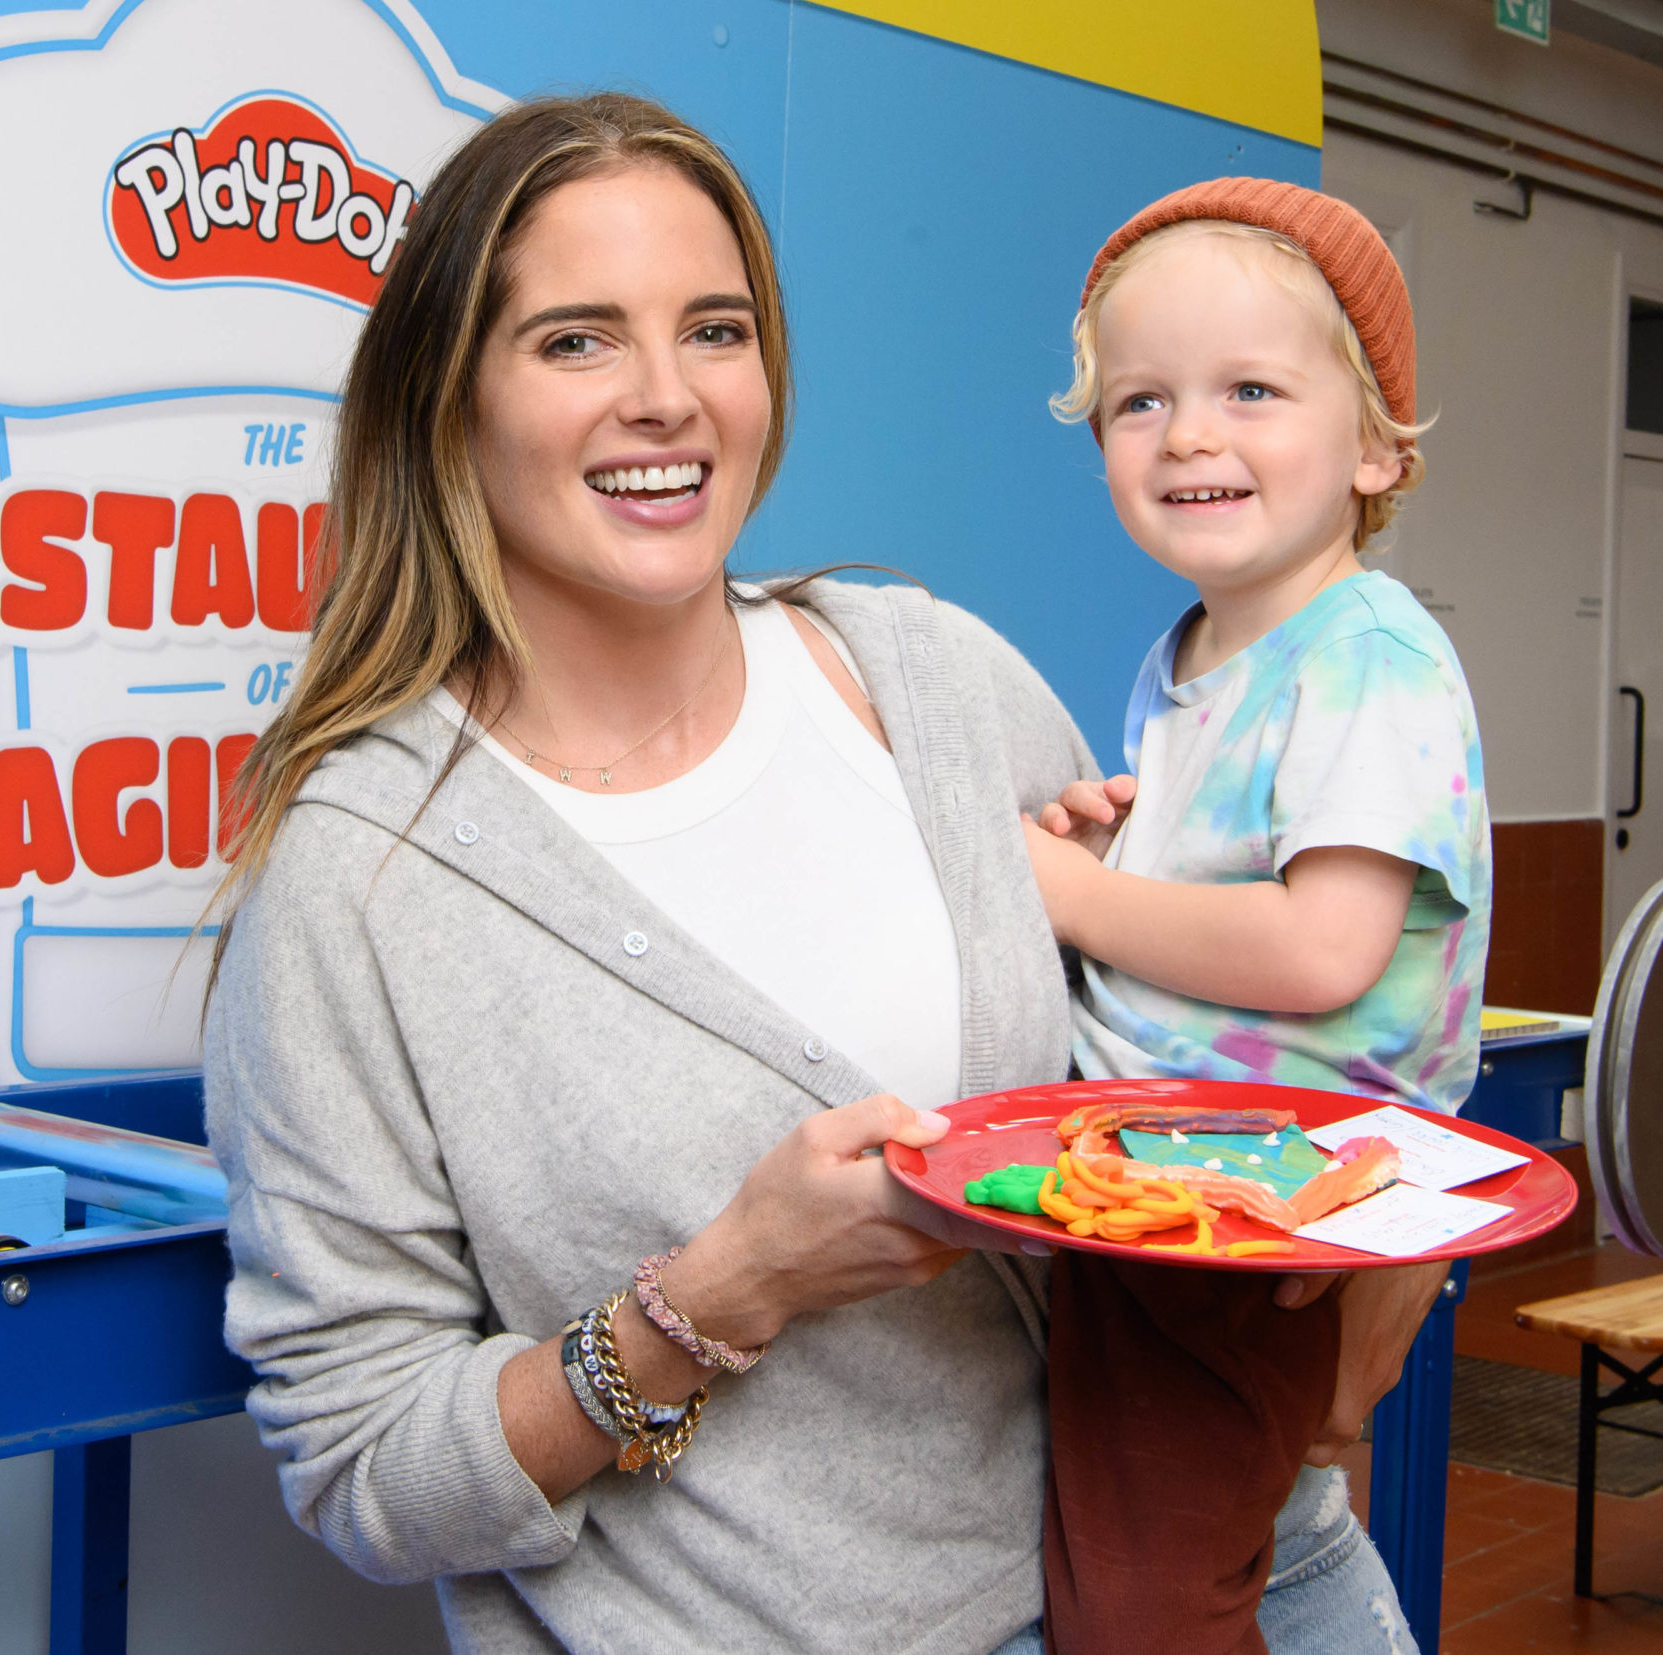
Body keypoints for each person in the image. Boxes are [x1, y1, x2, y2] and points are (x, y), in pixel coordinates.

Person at [204, 98, 1434, 1654]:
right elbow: (366, 1472)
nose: (667, 398)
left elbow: (1229, 1055)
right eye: (577, 341)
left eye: (715, 331)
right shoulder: (357, 880)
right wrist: (711, 1302)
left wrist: (1379, 1242)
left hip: (1259, 1578)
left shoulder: (938, 681)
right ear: (448, 402)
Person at [1021, 180, 1490, 1655]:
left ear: (1375, 449)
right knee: (1219, 1551)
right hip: (1189, 1182)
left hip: (1263, 1202)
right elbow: (1234, 882)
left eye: (1251, 391)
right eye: (1140, 401)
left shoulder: (1366, 653)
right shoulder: (1200, 652)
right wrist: (1120, 844)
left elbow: (1323, 947)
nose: (1189, 435)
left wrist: (1077, 895)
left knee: (1144, 1610)